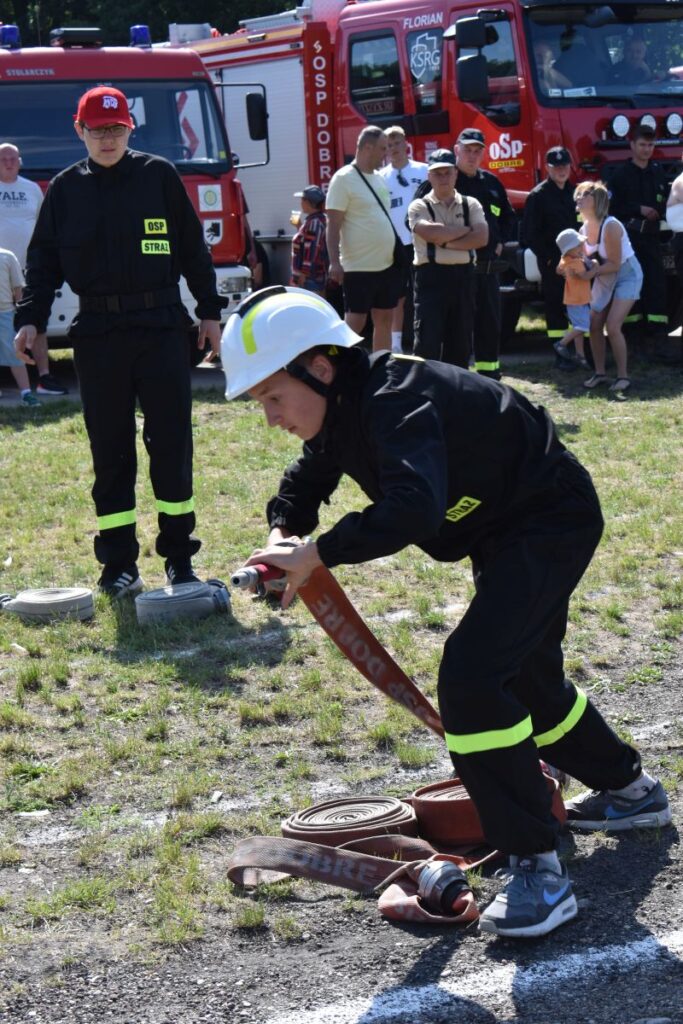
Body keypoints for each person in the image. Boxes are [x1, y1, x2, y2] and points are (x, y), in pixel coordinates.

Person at [222, 285, 671, 939]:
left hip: (549, 520)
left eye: (271, 396)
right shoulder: (343, 407)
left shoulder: (394, 400)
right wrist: (284, 534)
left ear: (317, 367)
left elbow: (412, 510)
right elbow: (306, 478)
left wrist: (319, 553)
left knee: (471, 674)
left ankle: (536, 870)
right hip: (506, 533)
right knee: (526, 678)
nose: (270, 417)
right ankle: (630, 792)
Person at [14, 86, 225, 597]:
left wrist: (210, 312)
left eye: (116, 129)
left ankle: (179, 558)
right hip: (100, 337)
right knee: (111, 451)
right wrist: (31, 320)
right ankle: (118, 565)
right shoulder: (65, 190)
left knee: (171, 444)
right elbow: (42, 264)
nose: (107, 138)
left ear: (130, 129)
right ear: (79, 130)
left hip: (161, 329)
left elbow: (194, 250)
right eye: (97, 130)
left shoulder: (158, 176)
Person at [407, 149, 488, 367]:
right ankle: (425, 394)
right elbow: (430, 233)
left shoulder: (471, 204)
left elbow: (481, 238)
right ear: (429, 176)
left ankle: (456, 396)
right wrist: (464, 230)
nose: (443, 177)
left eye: (447, 172)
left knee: (460, 346)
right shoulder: (418, 206)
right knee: (427, 345)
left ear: (455, 174)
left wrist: (445, 241)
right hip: (430, 281)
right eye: (437, 173)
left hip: (463, 280)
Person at [325, 126, 401, 352]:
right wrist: (334, 262)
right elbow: (333, 225)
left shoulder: (378, 178)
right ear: (367, 148)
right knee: (356, 322)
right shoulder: (343, 178)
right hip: (359, 265)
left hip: (387, 264)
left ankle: (382, 369)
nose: (386, 154)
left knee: (385, 318)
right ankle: (335, 367)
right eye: (382, 148)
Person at [0, 142, 67, 396]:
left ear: (20, 161)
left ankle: (44, 378)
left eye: (13, 158)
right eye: (3, 158)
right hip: (0, 271)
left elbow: (44, 227)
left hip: (31, 269)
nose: (8, 162)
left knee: (36, 321)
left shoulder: (32, 190)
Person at [454, 127, 516, 380]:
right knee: (458, 329)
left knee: (489, 327)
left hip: (488, 270)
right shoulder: (447, 181)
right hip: (458, 271)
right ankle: (458, 381)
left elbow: (508, 217)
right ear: (456, 150)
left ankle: (489, 379)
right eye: (467, 150)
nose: (472, 156)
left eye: (477, 151)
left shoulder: (491, 183)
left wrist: (499, 241)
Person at [573, 181, 642, 393]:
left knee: (612, 326)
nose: (579, 197)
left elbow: (613, 264)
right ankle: (600, 373)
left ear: (598, 201)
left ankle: (623, 376)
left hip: (626, 274)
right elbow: (585, 259)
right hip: (605, 274)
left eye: (585, 194)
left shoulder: (611, 226)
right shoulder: (583, 228)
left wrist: (590, 273)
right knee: (594, 324)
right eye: (578, 194)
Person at [608, 125, 669, 344]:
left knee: (656, 282)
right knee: (632, 282)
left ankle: (657, 330)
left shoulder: (657, 171)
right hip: (630, 238)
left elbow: (665, 199)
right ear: (632, 145)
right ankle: (632, 331)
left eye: (651, 145)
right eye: (642, 144)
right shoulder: (621, 175)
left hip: (652, 237)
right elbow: (612, 207)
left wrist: (658, 211)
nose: (647, 149)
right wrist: (638, 209)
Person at [520, 147, 581, 353]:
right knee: (555, 303)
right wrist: (548, 260)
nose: (561, 170)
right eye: (556, 167)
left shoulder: (575, 194)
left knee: (579, 302)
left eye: (564, 166)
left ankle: (581, 350)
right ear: (547, 168)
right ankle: (559, 350)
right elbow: (530, 234)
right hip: (552, 261)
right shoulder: (538, 196)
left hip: (576, 259)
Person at [378, 126, 428, 353]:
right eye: (388, 145)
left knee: (424, 291)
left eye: (397, 143)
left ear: (405, 143)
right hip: (394, 243)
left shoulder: (423, 170)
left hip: (422, 241)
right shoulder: (381, 177)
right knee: (397, 295)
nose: (394, 149)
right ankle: (396, 345)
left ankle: (425, 339)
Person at [0, 245, 40, 406]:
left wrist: (20, 312)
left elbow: (18, 287)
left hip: (6, 312)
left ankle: (26, 393)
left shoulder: (7, 256)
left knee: (15, 353)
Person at [553, 228, 591, 369]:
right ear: (569, 250)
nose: (582, 247)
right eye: (578, 246)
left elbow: (558, 269)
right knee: (585, 326)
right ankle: (562, 343)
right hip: (579, 299)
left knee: (578, 327)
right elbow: (586, 276)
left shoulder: (566, 259)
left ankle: (580, 356)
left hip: (572, 299)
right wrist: (597, 268)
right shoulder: (576, 263)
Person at [290, 185, 329, 296]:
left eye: (302, 199)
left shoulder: (314, 222)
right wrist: (299, 226)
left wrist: (304, 274)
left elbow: (312, 249)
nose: (301, 202)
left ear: (309, 202)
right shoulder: (315, 220)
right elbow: (308, 242)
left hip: (311, 279)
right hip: (312, 278)